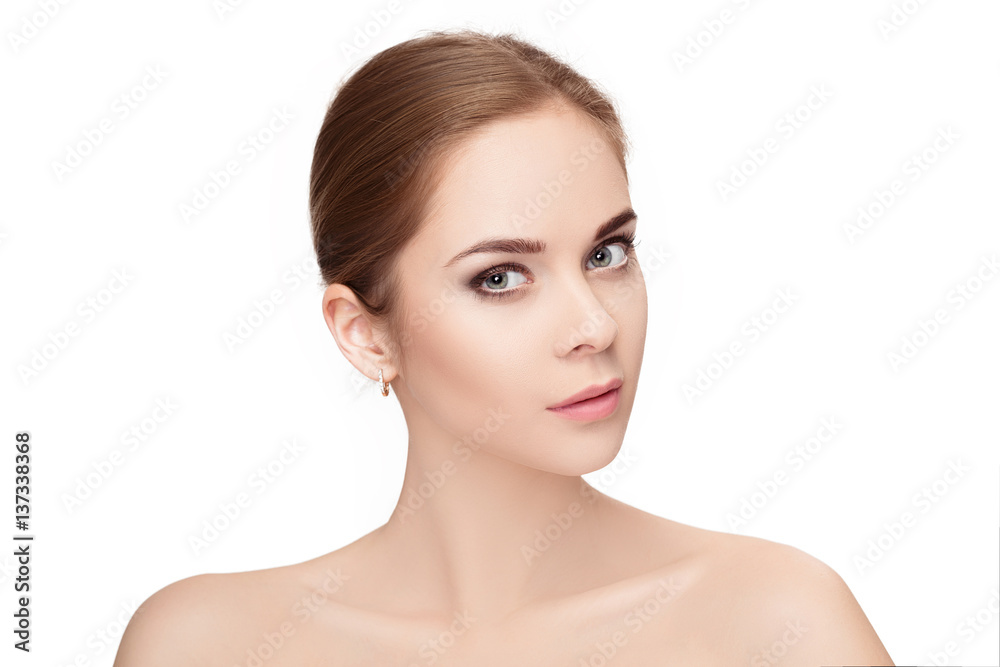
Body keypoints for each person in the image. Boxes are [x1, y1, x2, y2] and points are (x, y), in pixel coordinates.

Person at [114, 28, 894, 665]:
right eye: (499, 278)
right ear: (365, 333)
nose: (595, 325)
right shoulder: (203, 645)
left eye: (607, 254)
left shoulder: (778, 624)